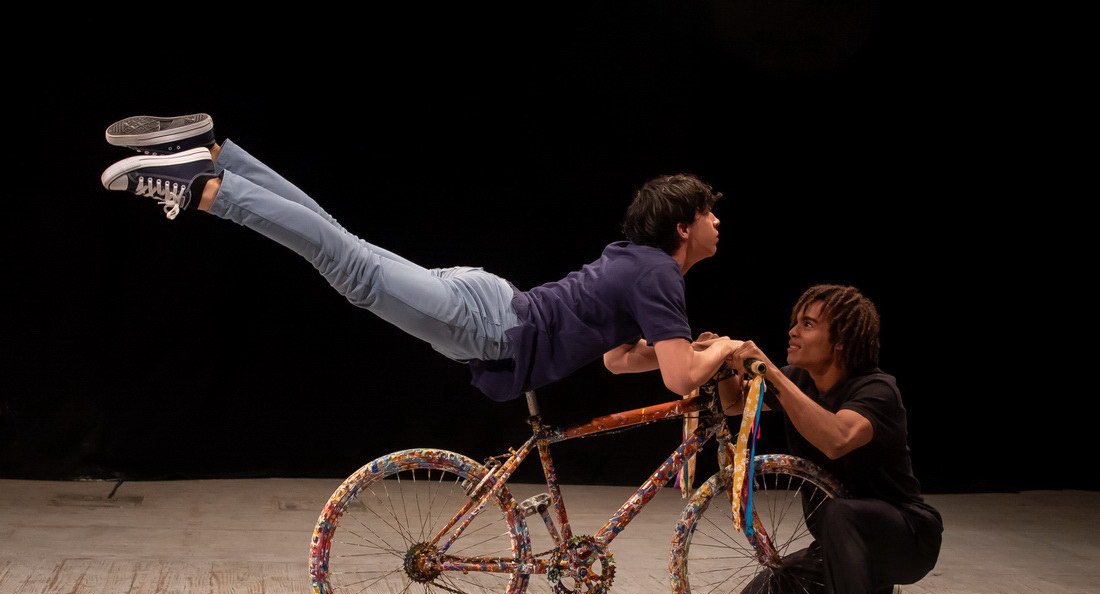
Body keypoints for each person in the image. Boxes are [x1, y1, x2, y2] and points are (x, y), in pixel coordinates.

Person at [99, 114, 738, 401]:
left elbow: (618, 359)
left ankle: (215, 156)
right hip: (491, 325)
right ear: (683, 227)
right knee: (346, 266)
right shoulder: (659, 273)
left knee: (340, 243)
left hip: (491, 305)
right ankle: (204, 186)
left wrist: (678, 349)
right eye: (710, 213)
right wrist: (725, 350)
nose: (718, 222)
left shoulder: (641, 266)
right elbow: (681, 381)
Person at [719, 284, 943, 594]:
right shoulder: (801, 380)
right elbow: (734, 408)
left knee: (842, 514)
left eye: (808, 324)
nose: (793, 332)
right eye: (795, 322)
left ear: (840, 340)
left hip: (905, 535)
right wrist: (724, 363)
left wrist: (773, 373)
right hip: (836, 547)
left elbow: (837, 439)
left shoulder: (877, 391)